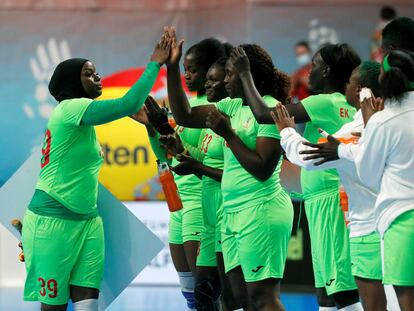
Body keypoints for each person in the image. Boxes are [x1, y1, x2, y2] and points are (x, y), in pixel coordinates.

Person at [20, 32, 171, 311]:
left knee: (88, 305)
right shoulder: (69, 109)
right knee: (53, 308)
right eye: (89, 74)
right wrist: (155, 63)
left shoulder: (83, 121)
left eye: (97, 72)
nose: (98, 77)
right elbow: (128, 104)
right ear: (71, 84)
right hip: (53, 224)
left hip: (89, 222)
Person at [165, 26, 293, 311]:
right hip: (231, 214)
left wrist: (229, 135)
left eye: (232, 73)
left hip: (261, 211)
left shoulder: (270, 108)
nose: (226, 79)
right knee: (240, 301)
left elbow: (261, 169)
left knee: (262, 299)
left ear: (249, 76)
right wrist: (172, 68)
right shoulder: (234, 106)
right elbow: (184, 115)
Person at [232, 43, 363, 310]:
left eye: (314, 66)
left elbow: (263, 115)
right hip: (327, 201)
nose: (308, 72)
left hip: (329, 203)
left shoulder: (323, 101)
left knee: (342, 291)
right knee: (327, 291)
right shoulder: (344, 105)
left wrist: (245, 74)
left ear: (326, 71)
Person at [271, 61, 390, 311]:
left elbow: (311, 156)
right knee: (331, 294)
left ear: (362, 91)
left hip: (367, 227)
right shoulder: (376, 123)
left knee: (348, 296)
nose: (346, 86)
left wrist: (286, 131)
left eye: (351, 83)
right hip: (377, 224)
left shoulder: (358, 129)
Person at [132, 34, 229, 311]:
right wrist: (153, 128)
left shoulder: (210, 111)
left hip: (201, 204)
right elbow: (168, 156)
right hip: (179, 207)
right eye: (184, 69)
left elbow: (192, 157)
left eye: (193, 69)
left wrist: (166, 129)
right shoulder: (186, 108)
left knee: (207, 295)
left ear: (214, 70)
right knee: (190, 294)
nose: (187, 75)